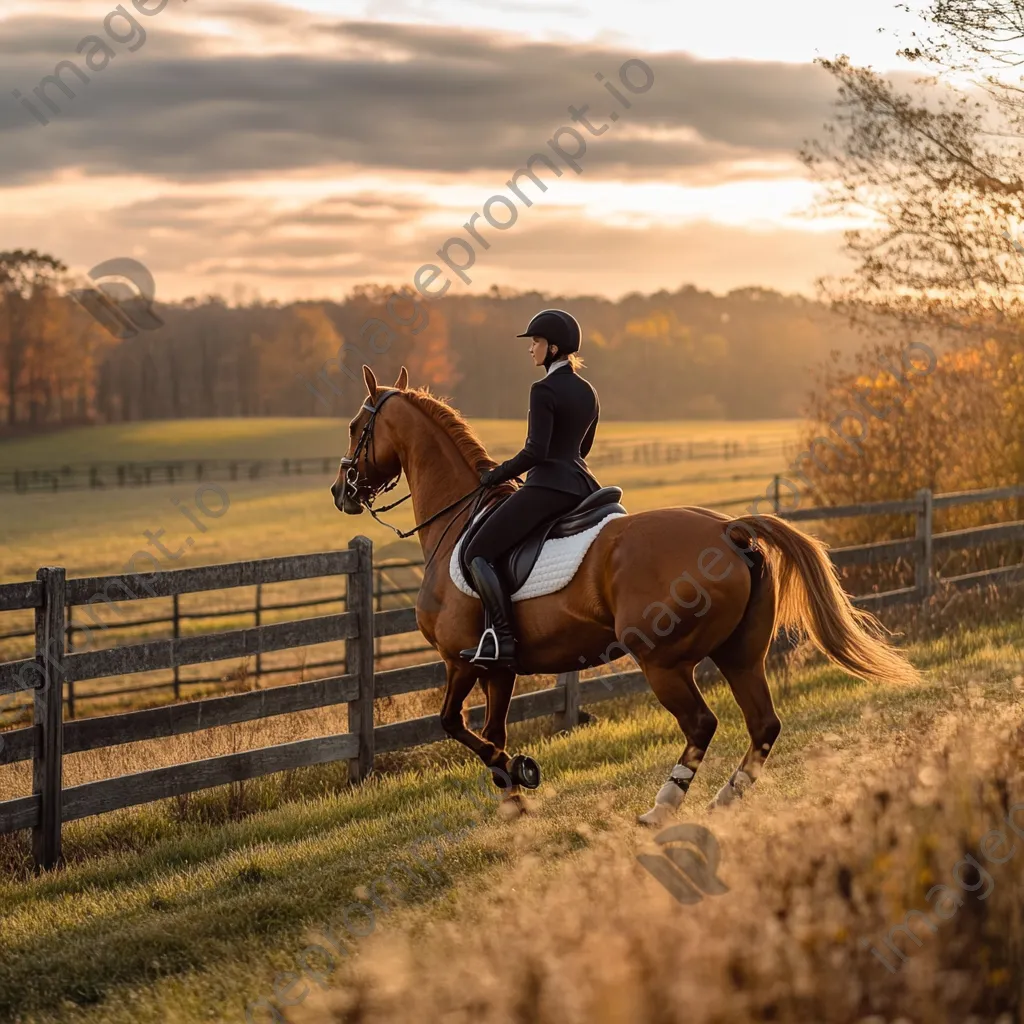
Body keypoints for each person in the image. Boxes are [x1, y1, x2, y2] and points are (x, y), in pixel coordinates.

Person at [460, 308, 601, 668]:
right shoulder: (588, 392)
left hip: (547, 489)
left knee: (477, 552)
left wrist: (496, 475)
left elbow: (536, 452)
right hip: (583, 487)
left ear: (553, 349)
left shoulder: (543, 390)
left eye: (535, 342)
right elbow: (582, 450)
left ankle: (501, 639)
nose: (531, 348)